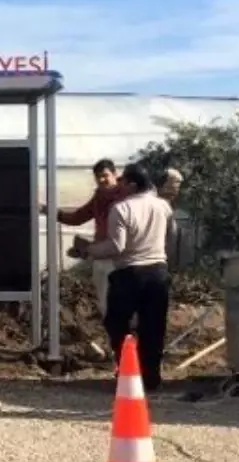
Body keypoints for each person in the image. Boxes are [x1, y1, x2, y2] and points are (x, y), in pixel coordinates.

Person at [73, 163, 174, 392]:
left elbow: (116, 247)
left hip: (129, 272)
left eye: (123, 182)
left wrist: (88, 250)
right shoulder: (163, 206)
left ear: (132, 184)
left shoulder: (121, 208)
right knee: (154, 326)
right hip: (158, 271)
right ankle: (151, 378)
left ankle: (127, 372)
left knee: (117, 323)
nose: (120, 186)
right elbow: (170, 237)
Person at [41, 158, 125, 317]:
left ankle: (128, 335)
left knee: (121, 302)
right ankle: (115, 335)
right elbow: (77, 217)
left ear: (115, 174)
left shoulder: (126, 197)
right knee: (105, 304)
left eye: (105, 175)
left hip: (120, 257)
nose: (102, 180)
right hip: (101, 255)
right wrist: (49, 210)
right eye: (98, 177)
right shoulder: (99, 198)